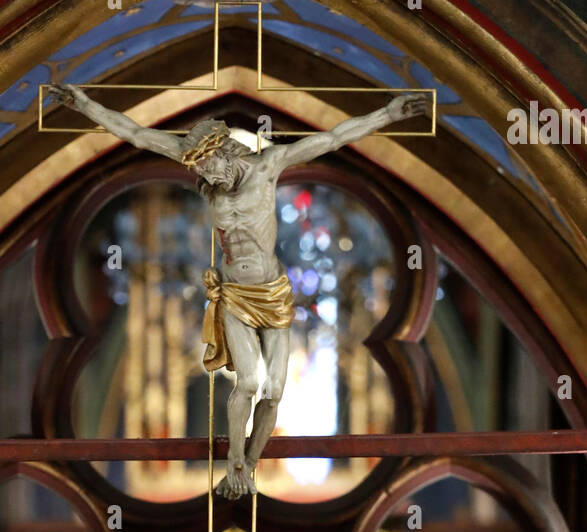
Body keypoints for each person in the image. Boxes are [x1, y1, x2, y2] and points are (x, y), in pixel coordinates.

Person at [48, 83, 428, 498]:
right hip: (234, 296)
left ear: (224, 151)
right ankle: (235, 466)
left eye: (210, 167)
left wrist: (390, 114)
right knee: (247, 383)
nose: (207, 178)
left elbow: (335, 137)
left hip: (273, 293)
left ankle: (251, 462)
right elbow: (137, 133)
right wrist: (84, 105)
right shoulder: (205, 170)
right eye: (201, 171)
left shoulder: (270, 166)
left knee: (275, 390)